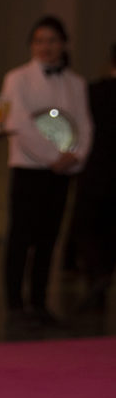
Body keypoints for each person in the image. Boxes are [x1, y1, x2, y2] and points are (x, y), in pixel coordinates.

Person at [0, 15, 91, 328]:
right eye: (39, 41)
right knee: (20, 238)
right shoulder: (17, 78)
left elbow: (84, 124)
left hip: (62, 171)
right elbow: (18, 124)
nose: (45, 47)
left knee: (48, 238)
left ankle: (39, 302)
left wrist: (76, 155)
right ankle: (15, 304)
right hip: (29, 168)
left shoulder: (76, 83)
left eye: (52, 41)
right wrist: (54, 156)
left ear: (63, 44)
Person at [72, 43, 116, 316]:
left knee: (86, 227)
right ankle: (103, 275)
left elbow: (78, 127)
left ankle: (97, 275)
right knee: (110, 230)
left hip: (96, 167)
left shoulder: (93, 90)